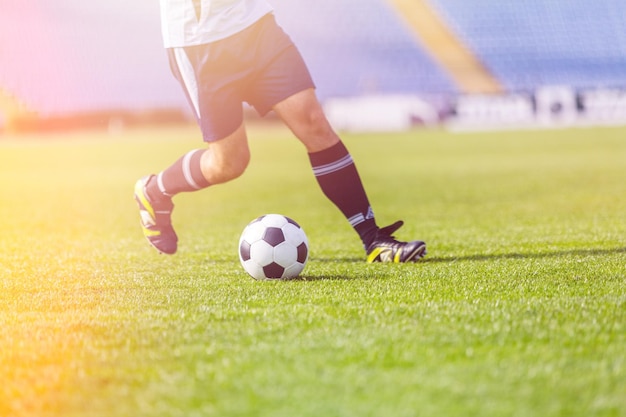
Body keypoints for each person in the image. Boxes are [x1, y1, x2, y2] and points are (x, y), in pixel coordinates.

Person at [134, 0, 426, 263]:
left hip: (256, 28)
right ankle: (155, 190)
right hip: (199, 40)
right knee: (228, 163)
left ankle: (373, 239)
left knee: (314, 123)